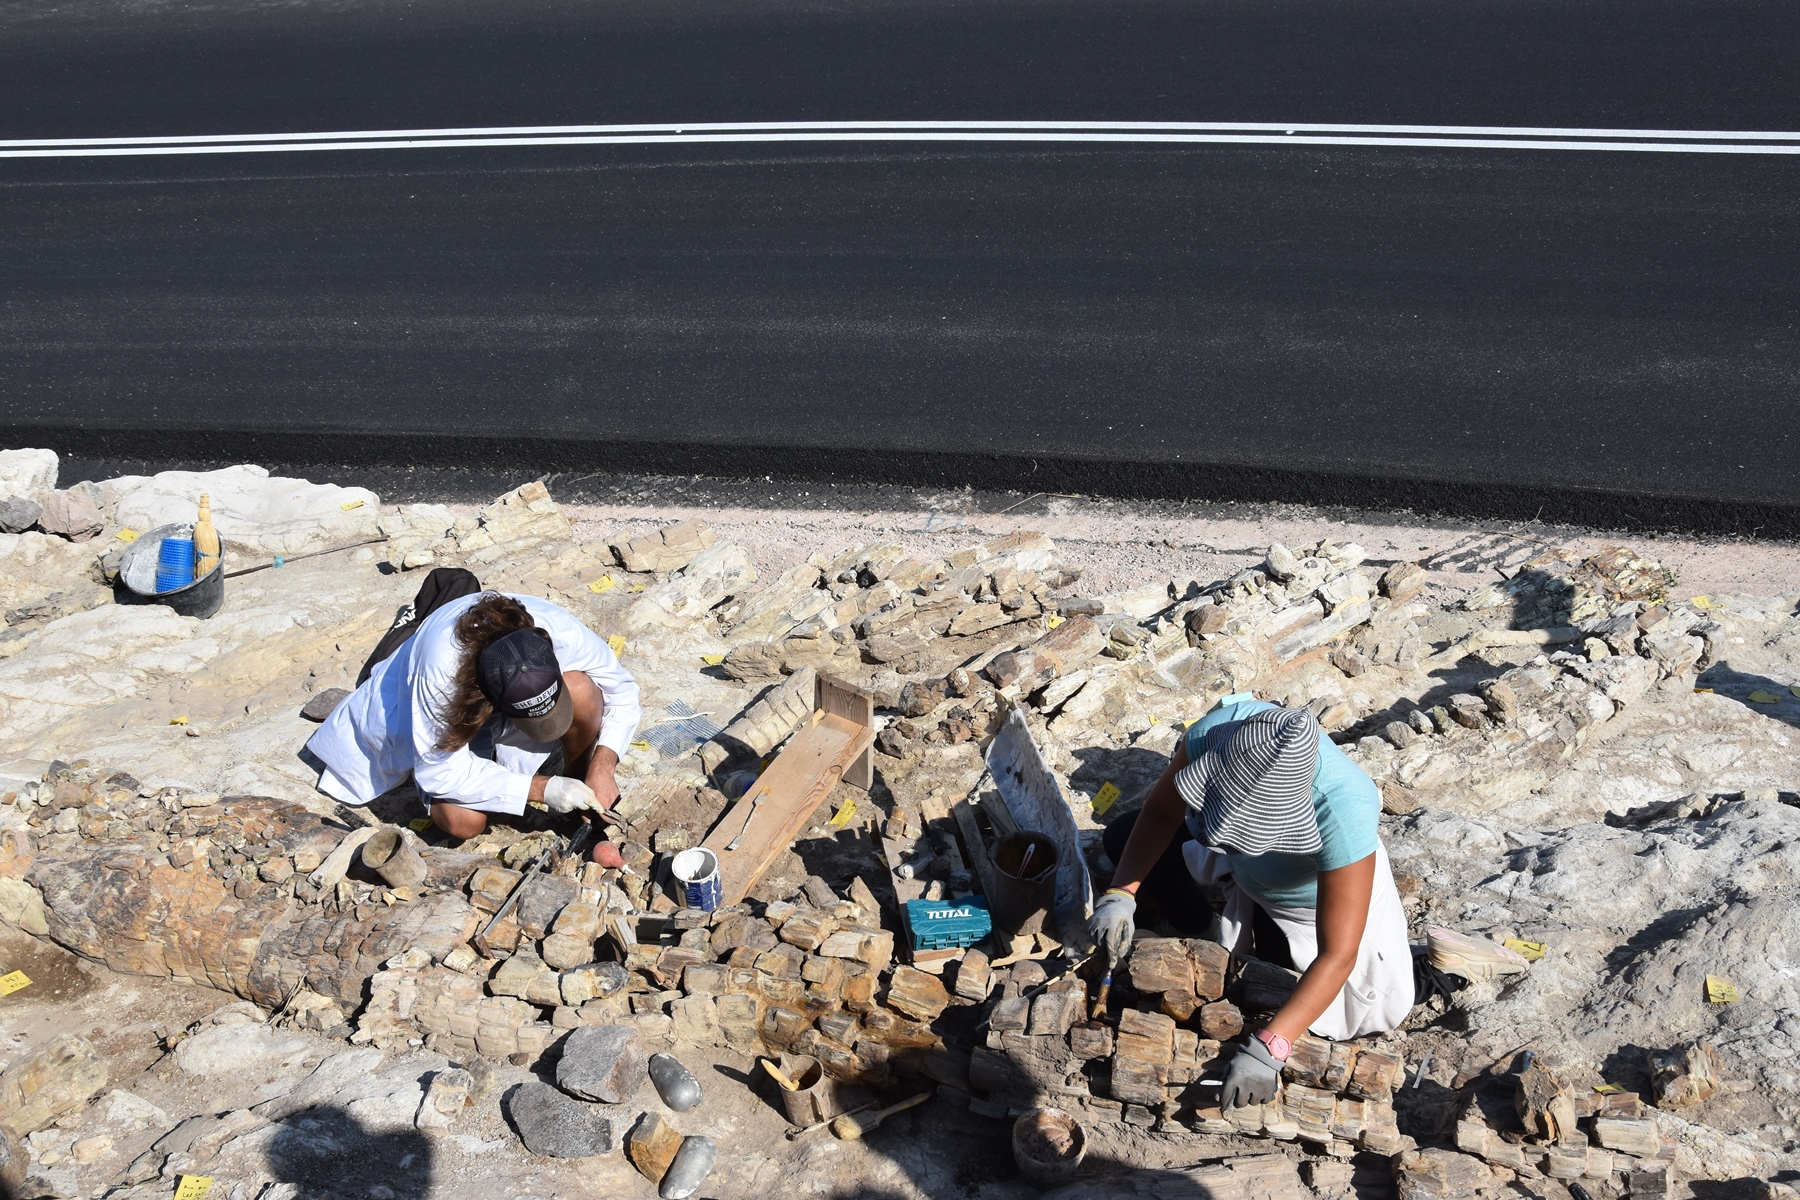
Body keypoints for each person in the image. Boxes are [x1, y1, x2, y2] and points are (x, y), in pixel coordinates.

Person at [1088, 692, 1527, 1110]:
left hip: (1310, 902)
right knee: (1123, 837)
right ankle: (1199, 931)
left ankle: (1432, 967)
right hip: (1248, 875)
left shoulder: (1343, 809)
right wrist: (1120, 895)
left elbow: (1338, 955)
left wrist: (1270, 1048)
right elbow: (1162, 812)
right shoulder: (1218, 732)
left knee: (1325, 1013)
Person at [307, 591, 642, 838]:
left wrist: (604, 764)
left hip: (501, 695)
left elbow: (622, 691)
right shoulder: (439, 677)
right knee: (463, 823)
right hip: (459, 711)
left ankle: (580, 777)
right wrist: (542, 788)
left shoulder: (560, 632)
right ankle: (541, 778)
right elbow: (440, 772)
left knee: (583, 691)